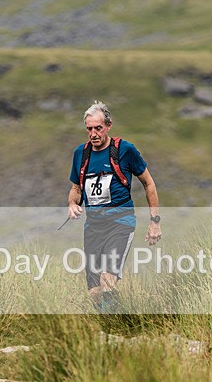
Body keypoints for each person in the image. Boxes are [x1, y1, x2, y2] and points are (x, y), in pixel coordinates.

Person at [66, 101, 161, 312]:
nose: (93, 134)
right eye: (89, 129)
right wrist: (72, 203)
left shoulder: (125, 150)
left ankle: (114, 331)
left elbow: (149, 183)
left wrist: (154, 222)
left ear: (108, 126)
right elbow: (76, 188)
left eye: (98, 128)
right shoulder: (80, 154)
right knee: (94, 290)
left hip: (120, 222)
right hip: (93, 226)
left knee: (108, 278)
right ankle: (115, 320)